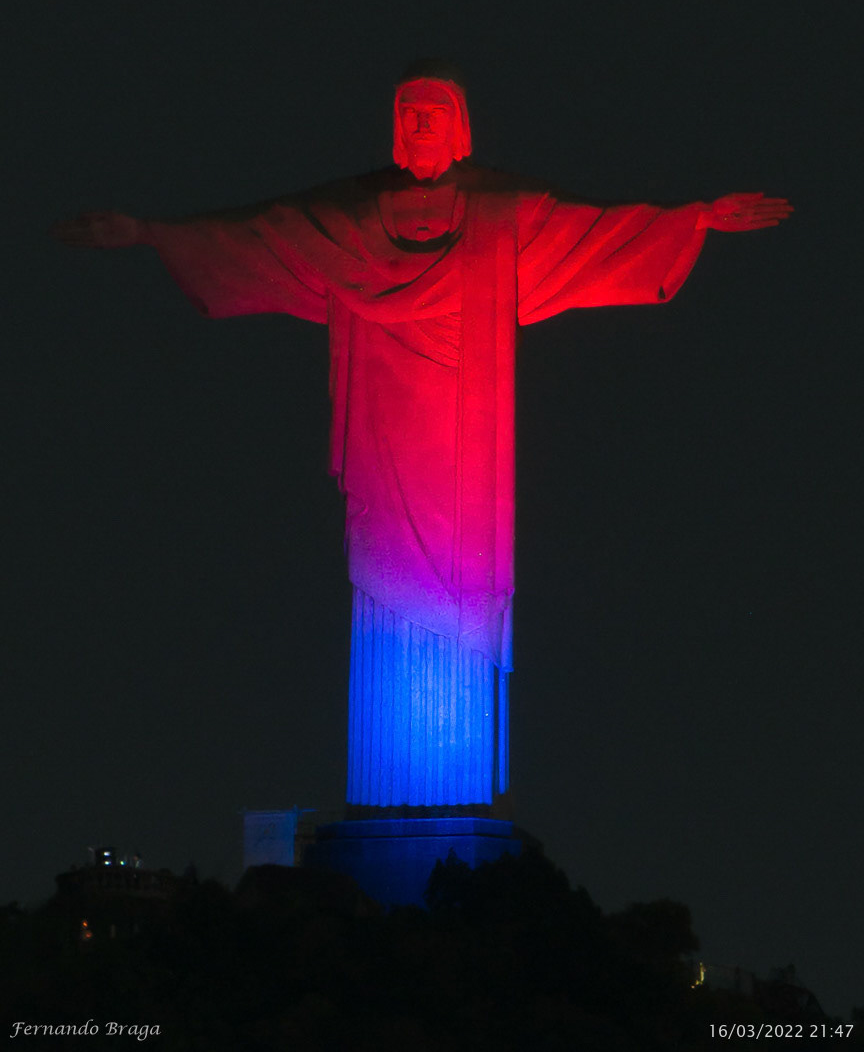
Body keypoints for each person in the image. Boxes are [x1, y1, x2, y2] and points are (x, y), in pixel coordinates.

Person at [54, 61, 792, 817]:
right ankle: (394, 797)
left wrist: (694, 218)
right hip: (384, 431)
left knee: (454, 590)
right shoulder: (351, 219)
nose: (419, 126)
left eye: (434, 114)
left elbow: (595, 230)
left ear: (460, 128)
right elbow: (260, 234)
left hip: (464, 445)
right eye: (408, 113)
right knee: (387, 576)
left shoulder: (500, 212)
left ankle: (445, 796)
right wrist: (151, 233)